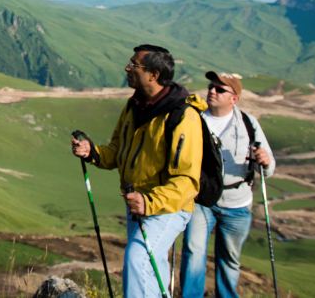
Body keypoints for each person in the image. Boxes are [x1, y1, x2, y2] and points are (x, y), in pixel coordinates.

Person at [71, 44, 206, 297]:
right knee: (151, 267)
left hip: (167, 207)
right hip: (137, 204)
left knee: (138, 258)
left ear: (153, 74)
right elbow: (117, 151)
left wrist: (150, 201)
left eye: (134, 65)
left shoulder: (182, 116)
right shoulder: (134, 106)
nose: (127, 68)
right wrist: (92, 152)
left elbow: (187, 180)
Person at [180, 71, 275, 298]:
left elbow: (269, 169)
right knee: (193, 252)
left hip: (237, 204)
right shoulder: (195, 119)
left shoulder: (248, 124)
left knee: (229, 260)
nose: (212, 91)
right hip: (201, 199)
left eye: (220, 89)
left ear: (234, 98)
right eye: (211, 86)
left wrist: (265, 160)